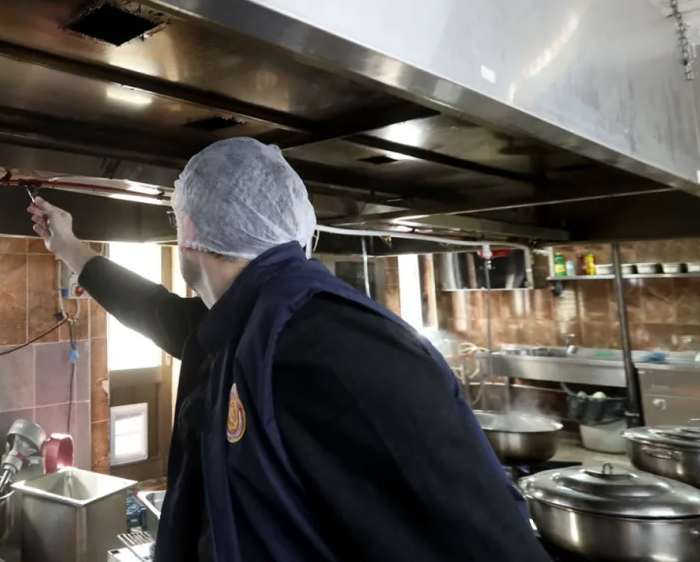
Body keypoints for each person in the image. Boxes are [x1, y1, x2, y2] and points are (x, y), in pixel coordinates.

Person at [28, 137, 549, 562]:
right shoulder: (245, 324)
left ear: (188, 229)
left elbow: (482, 537)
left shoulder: (336, 341)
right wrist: (69, 248)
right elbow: (156, 312)